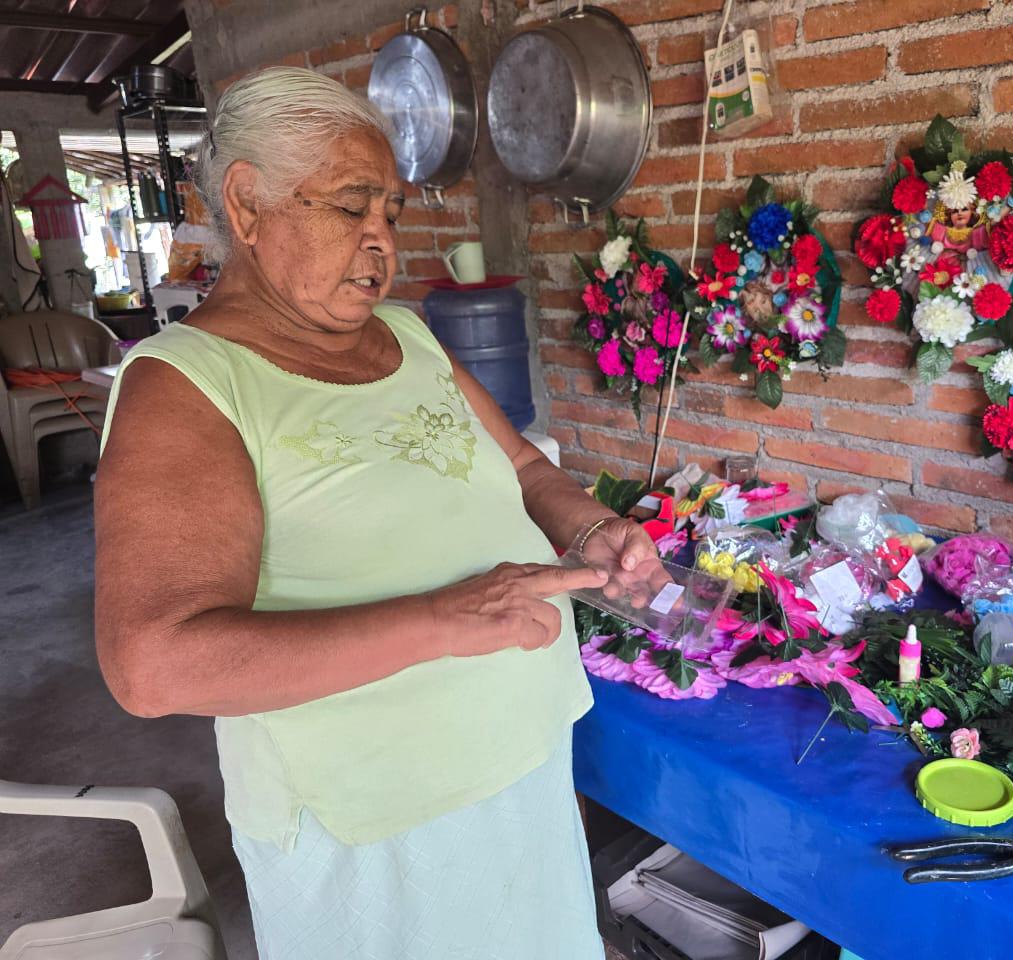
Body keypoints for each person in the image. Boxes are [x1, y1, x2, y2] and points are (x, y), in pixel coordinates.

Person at [93, 66, 658, 959]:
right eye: (350, 207)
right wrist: (442, 618)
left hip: (519, 763)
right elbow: (154, 664)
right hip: (375, 824)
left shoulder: (410, 334)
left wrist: (592, 527)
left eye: (390, 211)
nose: (381, 242)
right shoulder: (187, 386)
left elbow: (517, 465)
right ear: (247, 205)